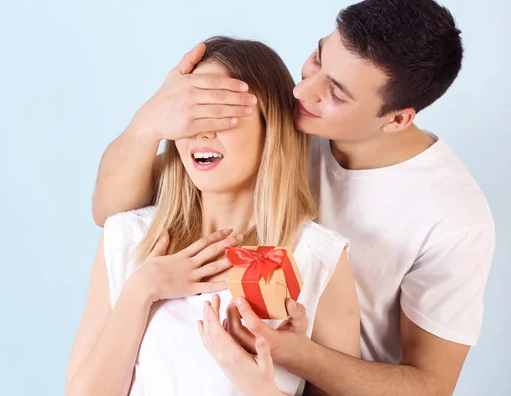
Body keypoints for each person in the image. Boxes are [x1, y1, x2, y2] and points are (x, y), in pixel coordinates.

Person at [90, 0, 496, 395]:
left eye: (336, 93)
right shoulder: (286, 126)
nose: (302, 91)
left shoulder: (455, 219)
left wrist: (292, 353)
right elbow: (115, 213)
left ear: (398, 119)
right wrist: (148, 123)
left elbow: (430, 386)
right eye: (318, 57)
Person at [66, 37, 360, 396]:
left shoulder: (317, 258)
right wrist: (144, 289)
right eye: (191, 114)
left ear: (271, 129)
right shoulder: (128, 238)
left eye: (221, 114)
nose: (202, 131)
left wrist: (258, 387)